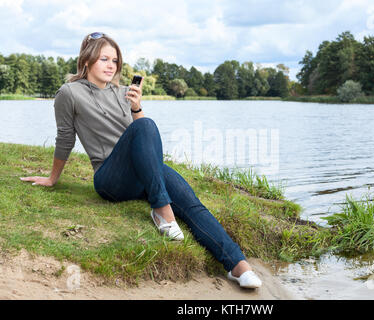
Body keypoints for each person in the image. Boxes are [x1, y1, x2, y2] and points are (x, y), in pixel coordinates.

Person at [19, 32, 262, 289]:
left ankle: (238, 266)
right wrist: (52, 178)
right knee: (145, 126)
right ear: (87, 60)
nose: (111, 65)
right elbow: (65, 137)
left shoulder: (124, 92)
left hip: (142, 172)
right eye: (104, 58)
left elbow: (144, 139)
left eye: (115, 60)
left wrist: (136, 108)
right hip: (109, 178)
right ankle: (162, 212)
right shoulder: (69, 93)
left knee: (191, 203)